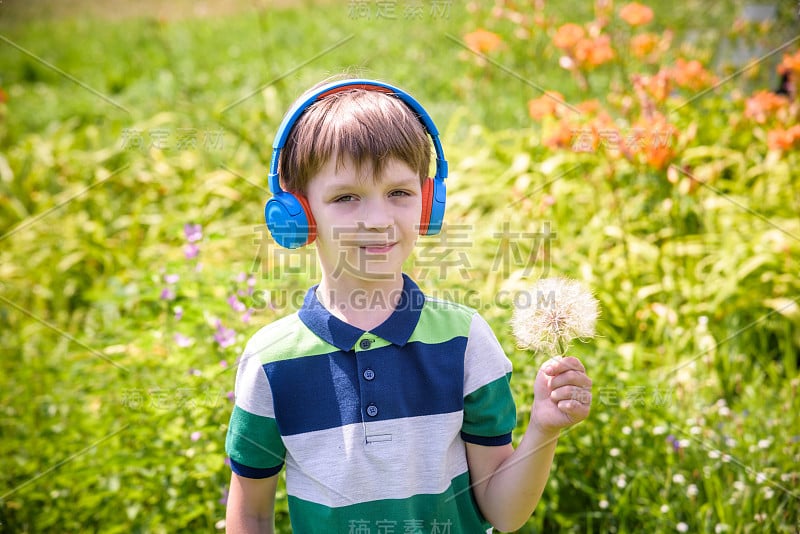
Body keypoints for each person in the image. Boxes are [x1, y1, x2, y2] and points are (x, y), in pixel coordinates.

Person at [224, 77, 593, 533]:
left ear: (427, 205)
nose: (378, 220)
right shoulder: (272, 361)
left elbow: (504, 513)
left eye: (399, 193)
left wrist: (543, 429)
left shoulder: (464, 341)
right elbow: (252, 513)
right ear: (297, 215)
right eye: (345, 197)